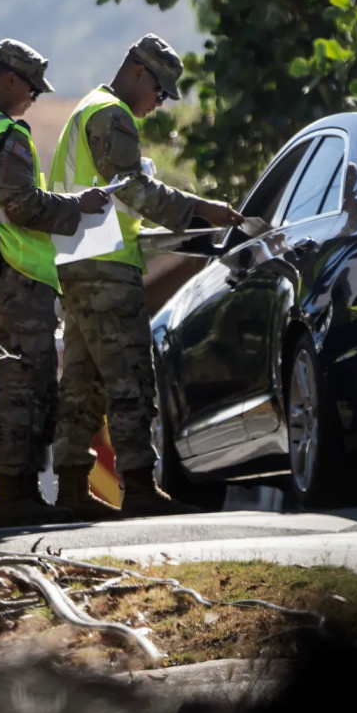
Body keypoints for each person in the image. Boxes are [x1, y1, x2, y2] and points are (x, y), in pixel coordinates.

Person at [49, 34, 244, 519]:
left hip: (79, 263)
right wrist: (201, 212)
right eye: (160, 91)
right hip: (105, 270)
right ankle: (138, 486)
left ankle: (72, 487)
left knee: (83, 381)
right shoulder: (111, 114)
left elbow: (117, 202)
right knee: (131, 376)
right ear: (139, 72)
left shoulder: (88, 110)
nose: (159, 104)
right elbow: (132, 188)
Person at [0, 39, 110, 528]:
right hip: (16, 270)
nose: (35, 98)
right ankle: (14, 494)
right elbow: (24, 207)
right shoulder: (6, 133)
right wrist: (80, 207)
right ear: (8, 80)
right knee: (26, 385)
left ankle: (20, 493)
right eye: (32, 88)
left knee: (25, 381)